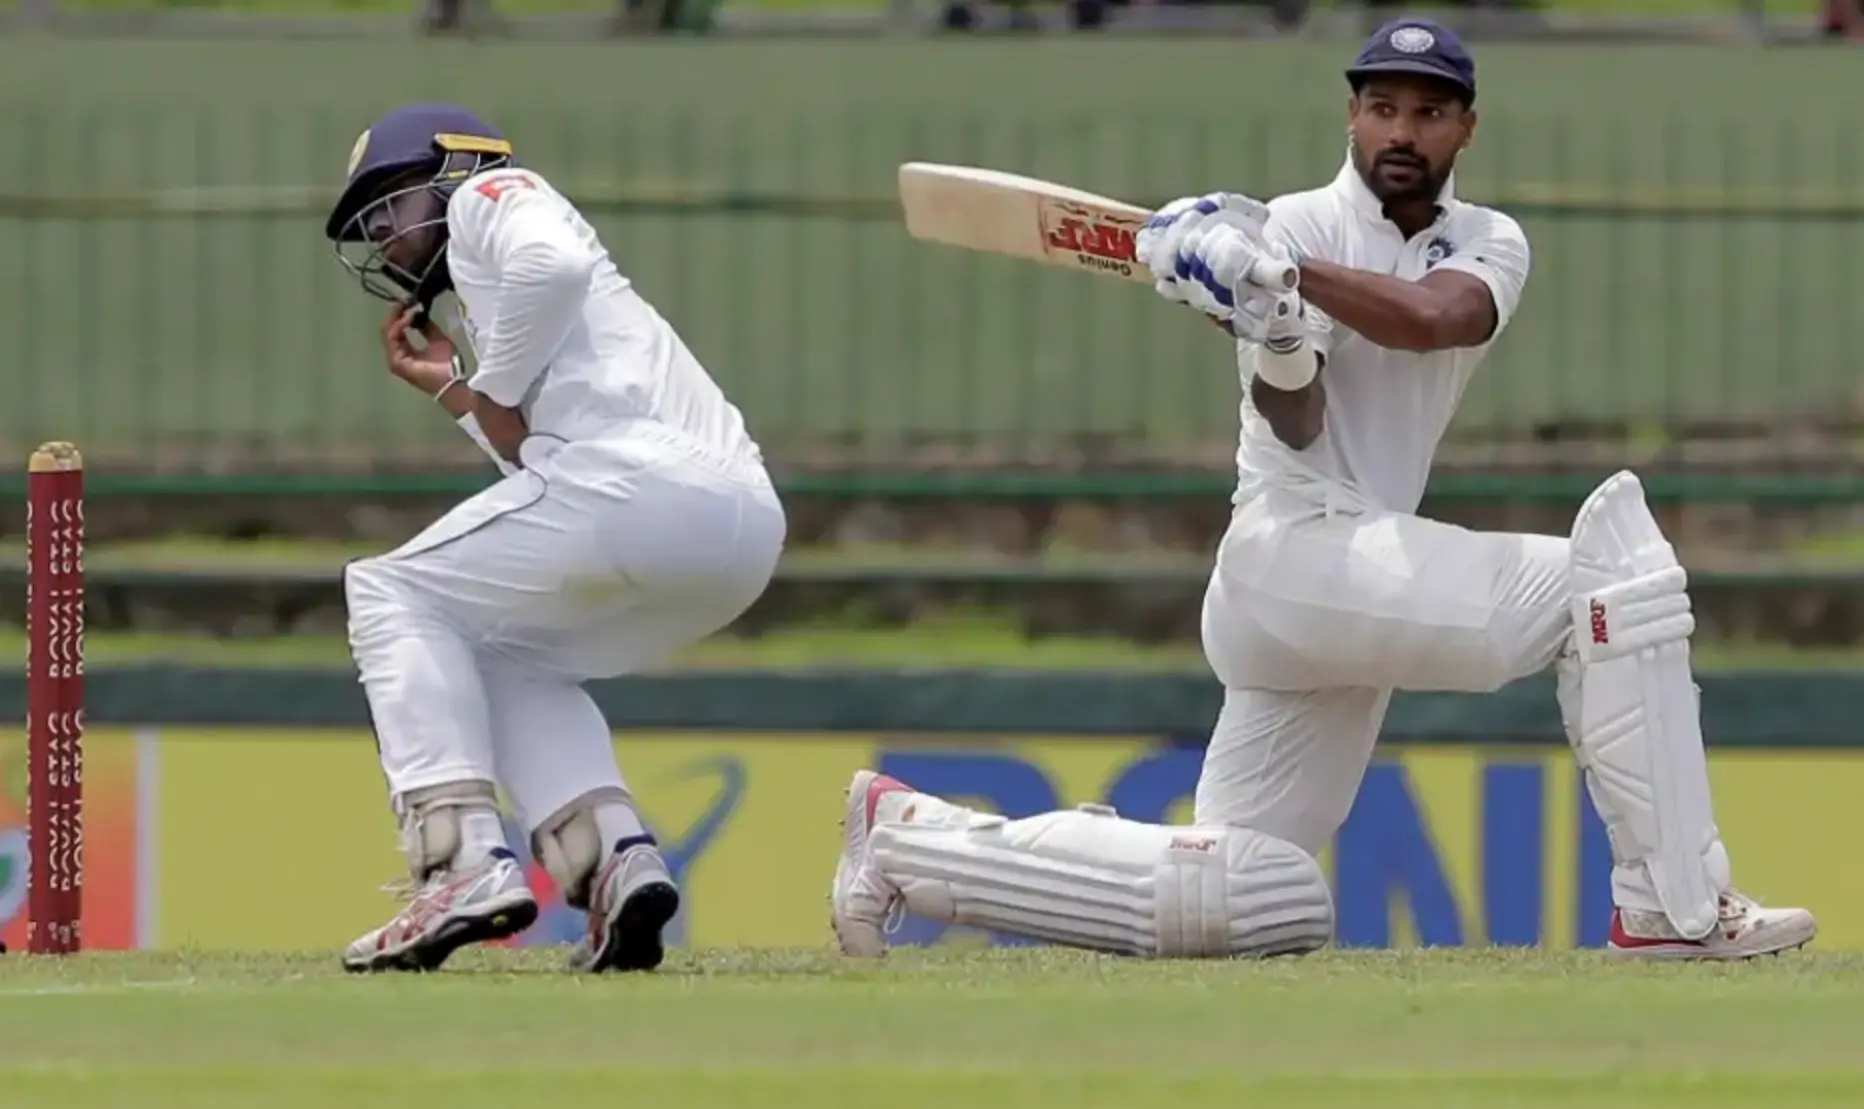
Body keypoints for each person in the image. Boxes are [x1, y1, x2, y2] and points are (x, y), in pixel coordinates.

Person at [831, 19, 1816, 962]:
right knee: (1611, 581)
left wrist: (1284, 274)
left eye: (1428, 113)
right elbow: (1292, 419)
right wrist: (1268, 320)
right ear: (1351, 115)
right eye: (1382, 108)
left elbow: (1433, 320)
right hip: (1293, 550)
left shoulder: (1487, 239)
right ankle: (1671, 904)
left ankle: (910, 837)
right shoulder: (1289, 221)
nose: (1402, 132)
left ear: (1466, 127)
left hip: (1352, 579)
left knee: (1249, 891)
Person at [323, 103, 785, 973]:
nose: (380, 237)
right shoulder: (501, 299)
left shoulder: (491, 196)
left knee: (390, 590)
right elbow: (534, 458)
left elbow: (556, 265)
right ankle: (612, 859)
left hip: (642, 491)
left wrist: (491, 381)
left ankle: (459, 864)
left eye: (390, 204)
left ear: (453, 168)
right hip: (737, 531)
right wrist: (455, 390)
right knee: (502, 652)